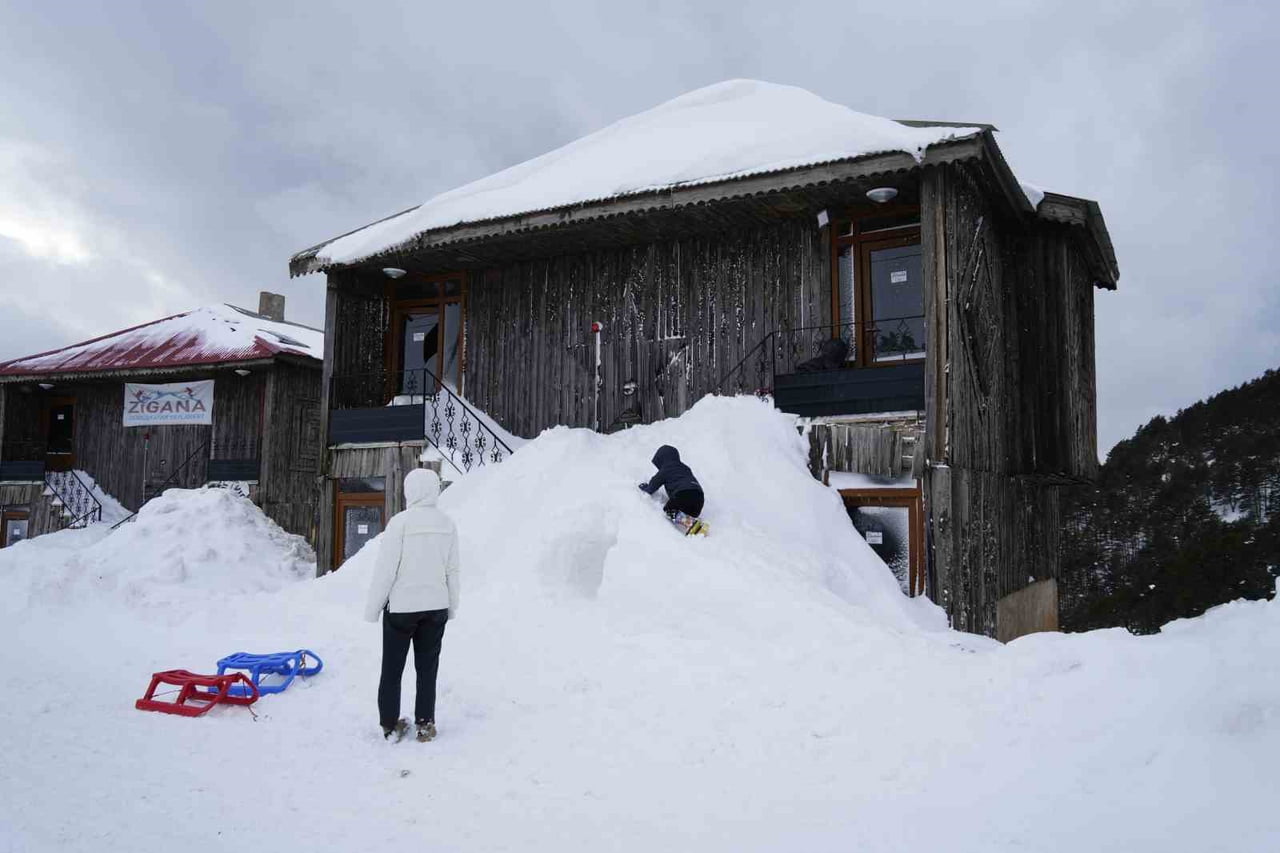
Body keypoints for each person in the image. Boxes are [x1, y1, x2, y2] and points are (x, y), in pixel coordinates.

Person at [364, 468, 460, 743]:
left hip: (402, 609)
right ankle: (425, 724)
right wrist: (452, 605)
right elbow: (453, 570)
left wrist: (372, 609)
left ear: (410, 490)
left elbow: (386, 571)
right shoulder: (447, 524)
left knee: (392, 669)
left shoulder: (400, 523)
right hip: (436, 607)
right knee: (427, 669)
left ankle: (389, 724)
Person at [638, 444, 705, 519]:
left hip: (683, 494)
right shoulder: (685, 467)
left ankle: (687, 521)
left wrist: (647, 489)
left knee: (669, 510)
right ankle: (693, 520)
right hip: (699, 497)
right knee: (688, 509)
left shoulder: (667, 468)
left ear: (662, 459)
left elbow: (655, 482)